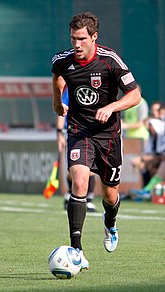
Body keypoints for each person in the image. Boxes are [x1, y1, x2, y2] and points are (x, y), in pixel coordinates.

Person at [51, 12, 141, 270]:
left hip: (109, 136)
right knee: (79, 180)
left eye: (81, 39)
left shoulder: (109, 60)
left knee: (110, 194)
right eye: (73, 39)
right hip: (79, 131)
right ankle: (76, 251)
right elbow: (57, 74)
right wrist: (57, 101)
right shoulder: (63, 61)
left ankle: (110, 223)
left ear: (94, 37)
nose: (76, 44)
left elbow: (134, 94)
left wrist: (112, 106)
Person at [56, 86, 97, 212]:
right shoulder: (72, 85)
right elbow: (62, 109)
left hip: (95, 132)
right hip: (75, 133)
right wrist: (59, 132)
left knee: (92, 169)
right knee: (74, 170)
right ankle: (70, 195)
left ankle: (88, 200)